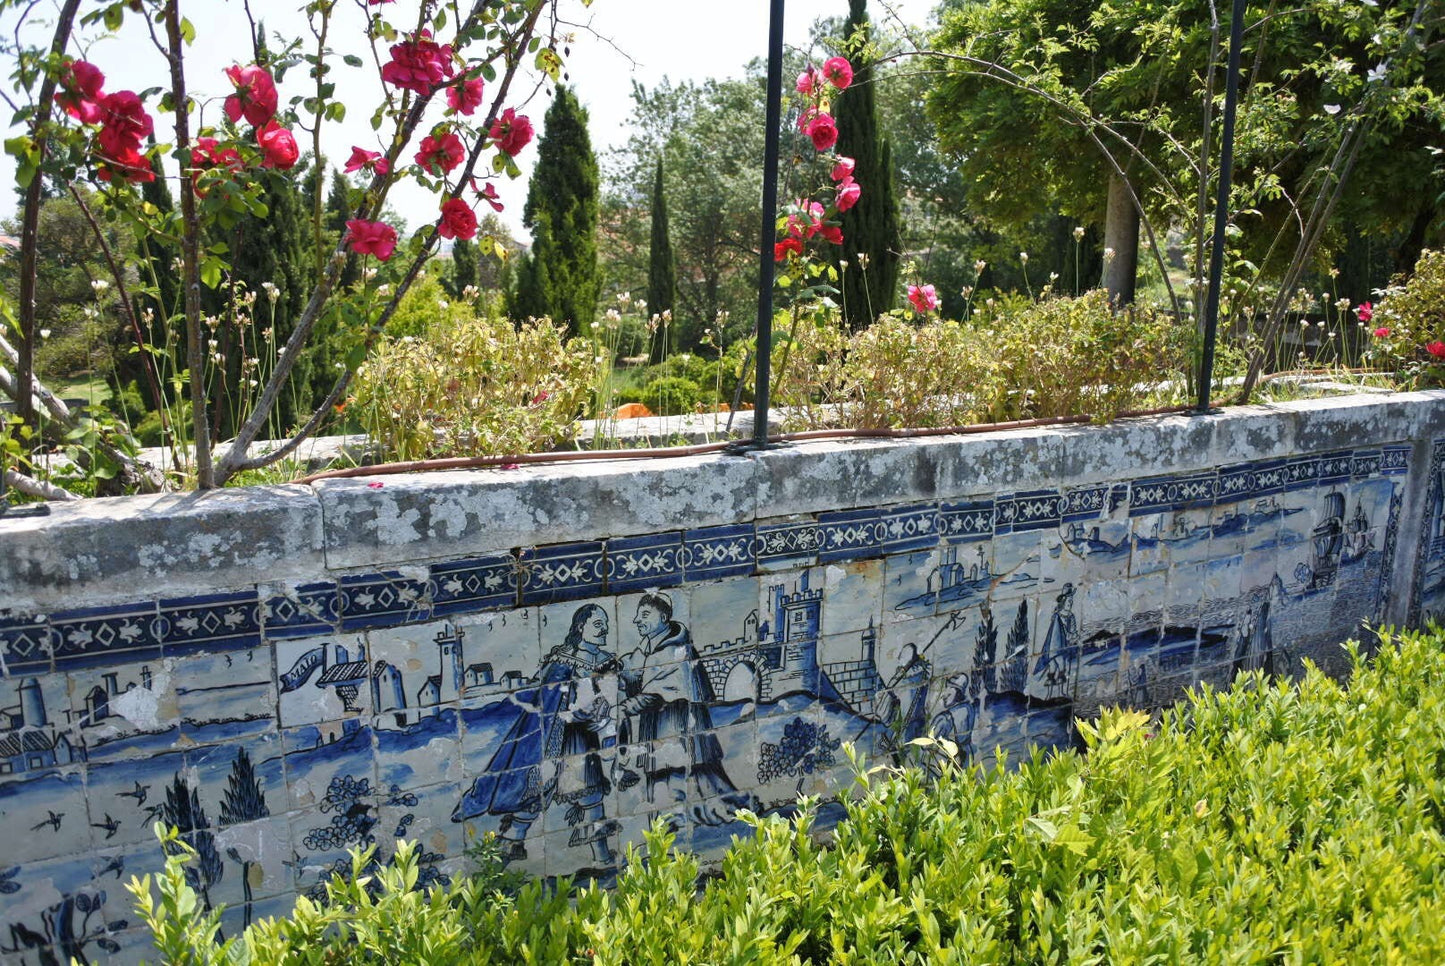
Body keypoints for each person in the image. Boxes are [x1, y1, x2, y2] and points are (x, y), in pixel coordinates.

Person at [454, 603, 619, 868]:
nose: (605, 629)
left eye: (606, 624)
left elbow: (604, 704)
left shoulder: (606, 661)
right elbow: (545, 701)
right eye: (598, 624)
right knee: (530, 804)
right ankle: (495, 870)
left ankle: (603, 860)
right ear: (581, 627)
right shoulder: (561, 660)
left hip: (581, 739)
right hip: (551, 740)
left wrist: (604, 726)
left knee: (591, 799)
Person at [617, 593, 750, 822]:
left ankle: (690, 815)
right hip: (659, 725)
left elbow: (656, 694)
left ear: (664, 617)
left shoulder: (675, 651)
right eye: (638, 615)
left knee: (682, 771)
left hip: (676, 723)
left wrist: (626, 707)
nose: (637, 620)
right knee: (665, 774)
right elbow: (635, 674)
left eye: (645, 614)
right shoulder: (649, 647)